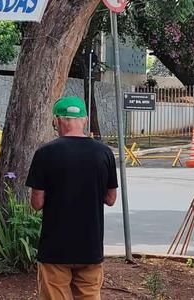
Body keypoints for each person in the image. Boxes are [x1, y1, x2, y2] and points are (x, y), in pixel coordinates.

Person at [26, 96, 118, 299]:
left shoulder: (45, 153)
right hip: (90, 246)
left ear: (58, 120)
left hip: (55, 248)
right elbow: (111, 198)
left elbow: (36, 203)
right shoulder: (104, 153)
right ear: (84, 120)